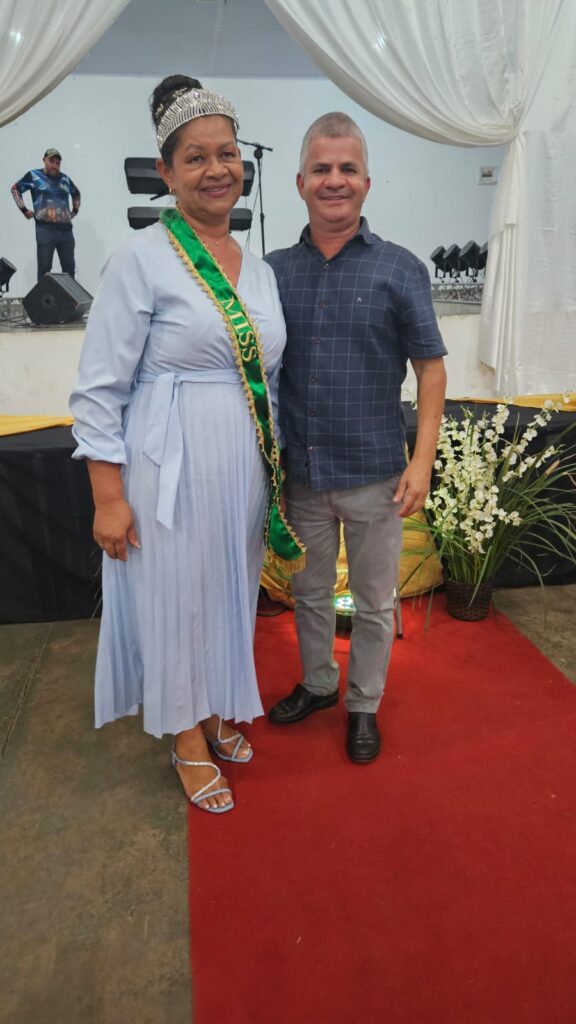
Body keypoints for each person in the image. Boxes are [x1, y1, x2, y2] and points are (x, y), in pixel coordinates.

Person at [69, 75, 303, 814]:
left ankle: (214, 702)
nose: (215, 169)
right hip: (165, 463)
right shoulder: (140, 258)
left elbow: (267, 378)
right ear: (166, 173)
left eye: (226, 153)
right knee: (175, 598)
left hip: (241, 467)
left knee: (226, 591)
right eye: (195, 158)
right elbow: (98, 388)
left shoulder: (258, 270)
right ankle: (185, 736)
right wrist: (108, 497)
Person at [265, 112, 447, 763]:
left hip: (375, 475)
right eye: (321, 169)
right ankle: (319, 684)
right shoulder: (271, 272)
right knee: (309, 594)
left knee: (373, 602)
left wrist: (422, 461)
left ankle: (364, 703)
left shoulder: (401, 269)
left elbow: (431, 369)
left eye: (347, 168)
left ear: (367, 182)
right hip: (304, 476)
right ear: (299, 182)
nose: (334, 180)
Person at [11, 148, 81, 281]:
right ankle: (43, 295)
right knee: (44, 269)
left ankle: (69, 295)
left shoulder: (65, 179)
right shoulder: (34, 175)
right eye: (52, 161)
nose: (55, 165)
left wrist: (74, 211)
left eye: (58, 163)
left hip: (66, 231)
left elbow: (76, 193)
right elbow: (15, 188)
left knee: (69, 268)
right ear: (44, 160)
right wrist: (24, 210)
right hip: (45, 230)